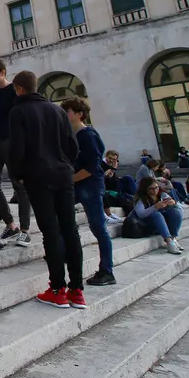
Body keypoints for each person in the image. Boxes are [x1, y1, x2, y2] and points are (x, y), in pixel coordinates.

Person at [7, 70, 86, 310]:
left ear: (19, 89)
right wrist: (64, 164)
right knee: (70, 231)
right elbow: (72, 146)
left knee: (51, 233)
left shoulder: (18, 111)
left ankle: (57, 289)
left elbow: (17, 149)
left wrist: (18, 175)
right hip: (63, 175)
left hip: (38, 177)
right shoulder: (57, 110)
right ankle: (77, 290)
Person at [61, 98, 116, 286]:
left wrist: (70, 179)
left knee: (98, 227)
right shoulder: (72, 134)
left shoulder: (88, 135)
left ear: (79, 114)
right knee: (62, 215)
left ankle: (107, 270)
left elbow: (92, 165)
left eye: (67, 111)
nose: (65, 115)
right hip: (77, 185)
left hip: (90, 185)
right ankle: (67, 252)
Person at [0, 59, 32, 247]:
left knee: (20, 185)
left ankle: (25, 230)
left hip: (11, 143)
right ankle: (11, 224)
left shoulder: (14, 92)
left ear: (2, 72)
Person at [129, 176, 184, 254]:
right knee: (156, 214)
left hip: (160, 223)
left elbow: (180, 208)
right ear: (145, 189)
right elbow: (141, 214)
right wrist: (155, 207)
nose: (155, 190)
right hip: (144, 225)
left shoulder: (162, 195)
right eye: (151, 188)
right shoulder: (141, 198)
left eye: (156, 187)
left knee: (176, 211)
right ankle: (169, 242)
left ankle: (173, 238)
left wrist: (173, 203)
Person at [101, 150, 134, 221]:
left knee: (128, 178)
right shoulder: (101, 164)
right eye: (110, 158)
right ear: (106, 156)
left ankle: (136, 196)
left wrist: (113, 169)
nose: (111, 160)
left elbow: (113, 179)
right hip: (107, 188)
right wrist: (108, 174)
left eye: (114, 159)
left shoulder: (113, 165)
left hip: (114, 187)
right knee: (125, 198)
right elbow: (103, 181)